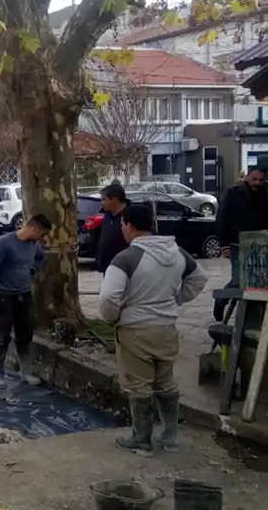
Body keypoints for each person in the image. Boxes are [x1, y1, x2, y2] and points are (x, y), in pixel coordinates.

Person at [99, 205, 207, 456]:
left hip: (135, 330)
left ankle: (142, 440)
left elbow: (108, 298)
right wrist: (176, 300)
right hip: (166, 327)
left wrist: (114, 318)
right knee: (165, 382)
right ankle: (170, 436)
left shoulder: (126, 258)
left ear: (127, 225)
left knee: (139, 386)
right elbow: (199, 279)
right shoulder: (177, 252)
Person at [0, 214, 52, 385]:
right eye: (42, 234)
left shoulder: (34, 245)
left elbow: (40, 258)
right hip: (4, 295)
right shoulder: (4, 244)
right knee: (2, 334)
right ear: (33, 228)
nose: (42, 238)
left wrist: (32, 270)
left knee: (25, 332)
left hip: (24, 294)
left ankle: (26, 371)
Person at [213, 166, 268, 321]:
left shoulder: (265, 193)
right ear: (247, 177)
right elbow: (222, 219)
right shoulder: (234, 194)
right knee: (239, 280)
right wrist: (224, 244)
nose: (257, 183)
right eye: (254, 179)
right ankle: (221, 299)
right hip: (238, 245)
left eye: (260, 180)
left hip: (261, 246)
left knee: (257, 282)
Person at [97, 184, 130, 273]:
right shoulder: (107, 215)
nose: (102, 203)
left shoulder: (131, 215)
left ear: (115, 199)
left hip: (124, 268)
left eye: (104, 199)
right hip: (107, 268)